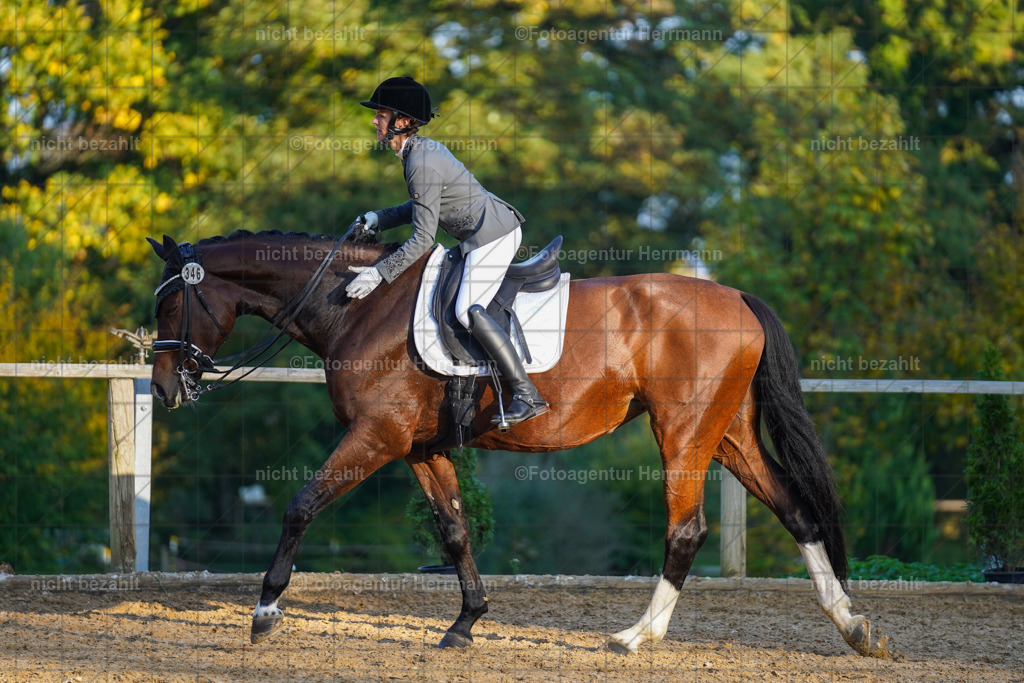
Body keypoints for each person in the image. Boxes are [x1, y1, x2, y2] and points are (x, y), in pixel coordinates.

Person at [345, 76, 547, 427]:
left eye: (380, 114)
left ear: (402, 122)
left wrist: (378, 273)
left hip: (493, 235)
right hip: (481, 233)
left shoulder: (419, 161)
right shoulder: (418, 153)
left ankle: (527, 394)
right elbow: (424, 206)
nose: (374, 121)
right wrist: (379, 218)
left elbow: (423, 238)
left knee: (468, 311)